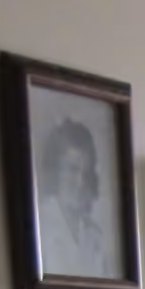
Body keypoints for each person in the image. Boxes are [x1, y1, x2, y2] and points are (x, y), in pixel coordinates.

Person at [37, 117, 108, 277]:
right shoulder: (40, 227)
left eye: (86, 172)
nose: (80, 181)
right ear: (56, 170)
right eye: (72, 169)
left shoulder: (95, 236)